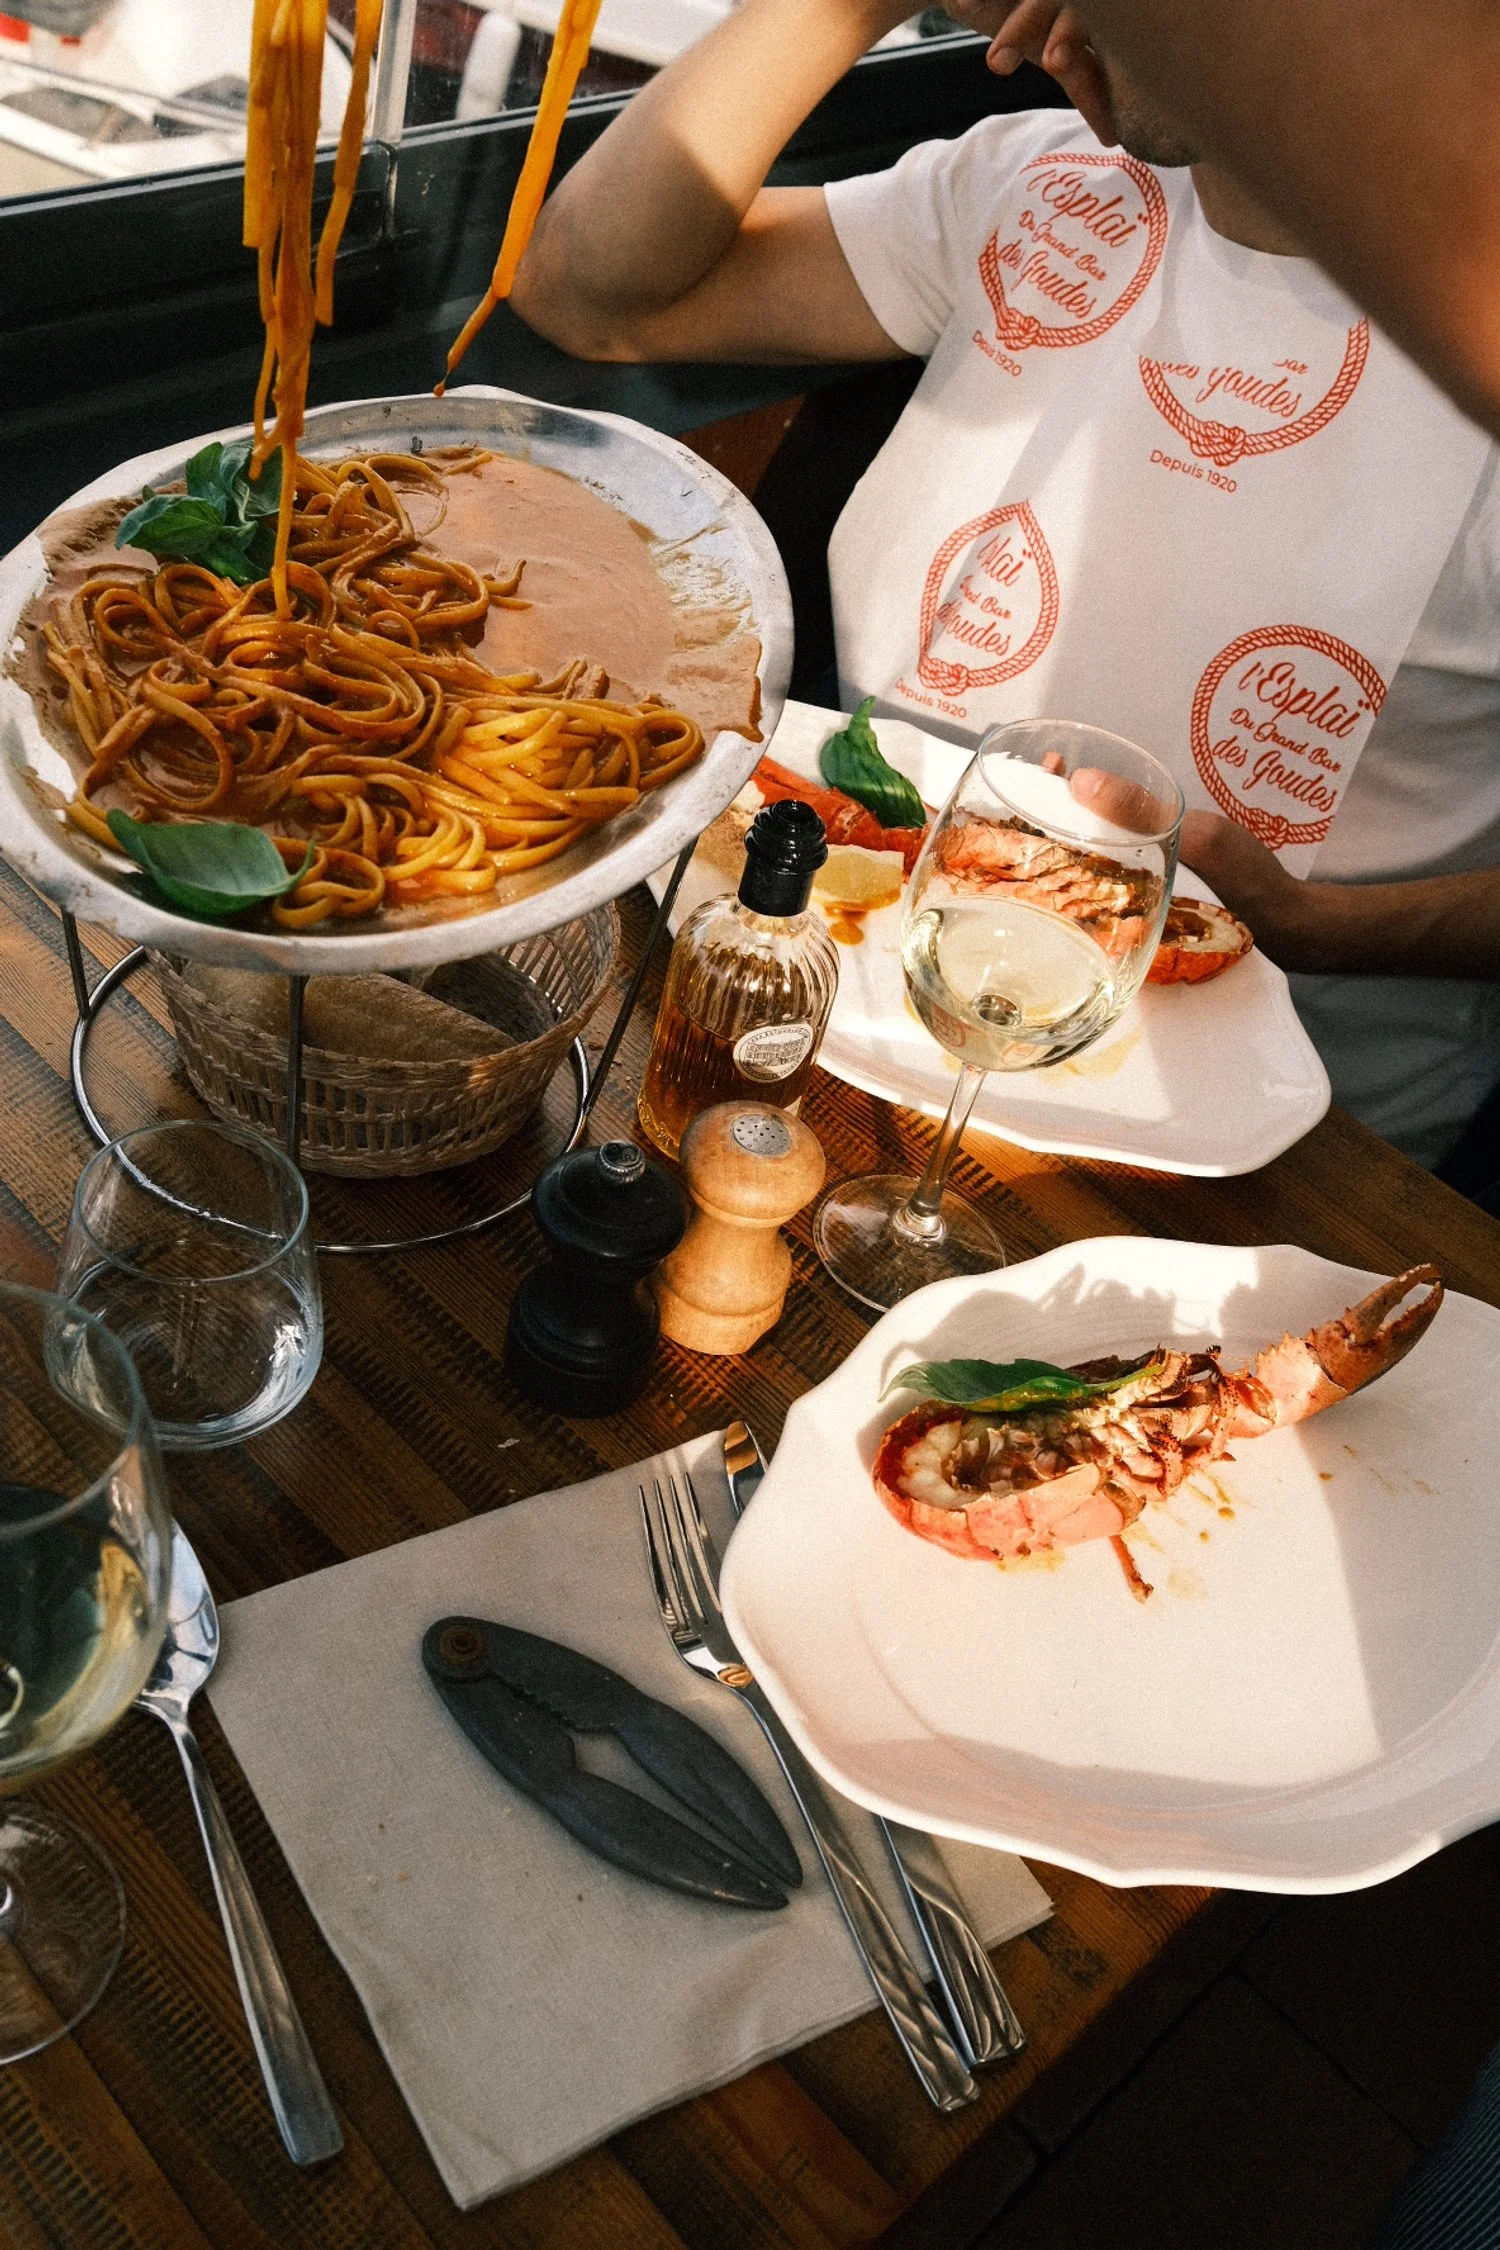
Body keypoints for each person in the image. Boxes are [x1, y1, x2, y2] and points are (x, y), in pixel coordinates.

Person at [512, 0, 1500, 1169]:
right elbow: (586, 292)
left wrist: (1321, 926)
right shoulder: (1044, 184)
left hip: (1270, 1141)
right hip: (835, 988)